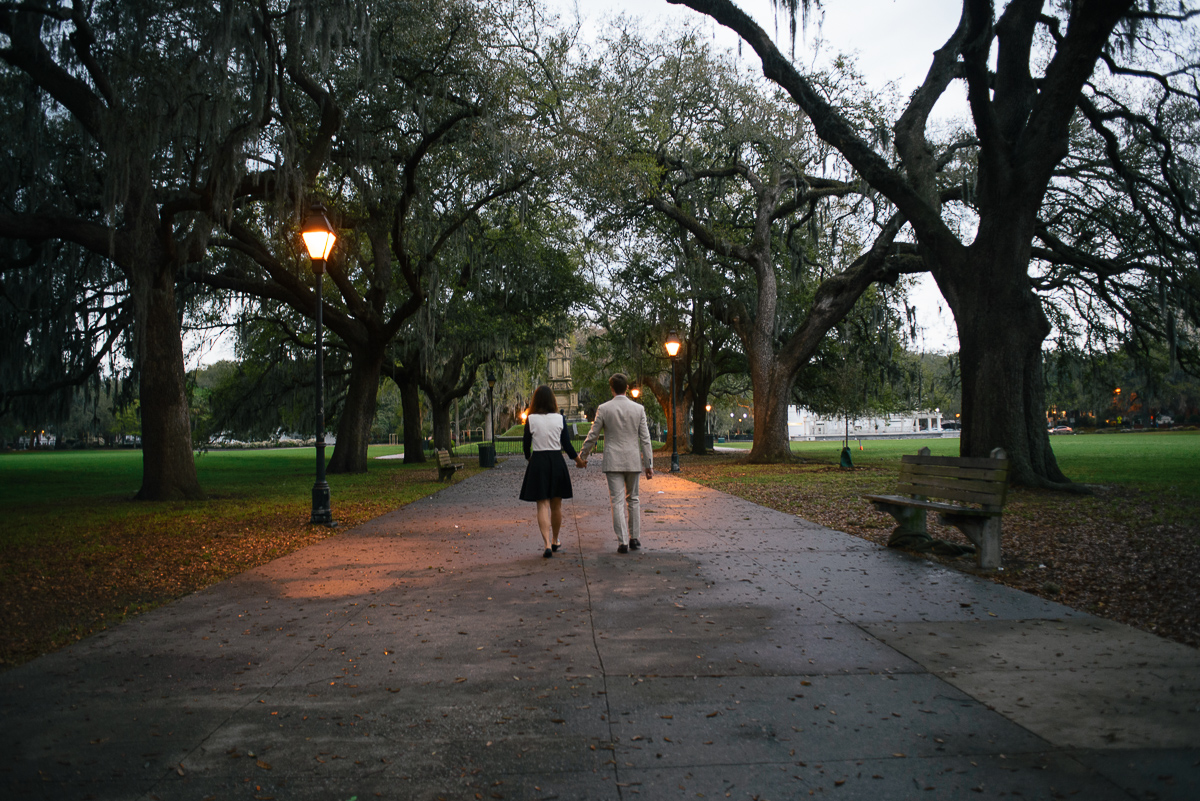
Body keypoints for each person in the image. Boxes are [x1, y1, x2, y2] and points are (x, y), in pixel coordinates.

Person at [576, 373, 653, 554]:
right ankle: (635, 538)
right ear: (627, 387)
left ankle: (623, 541)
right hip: (633, 459)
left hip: (613, 460)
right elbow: (646, 438)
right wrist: (648, 464)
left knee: (617, 501)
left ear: (612, 389)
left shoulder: (604, 409)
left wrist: (582, 456)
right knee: (633, 499)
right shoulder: (638, 409)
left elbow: (593, 435)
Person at [519, 385, 578, 558]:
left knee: (542, 504)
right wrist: (578, 460)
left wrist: (528, 457)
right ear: (553, 400)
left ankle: (545, 544)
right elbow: (567, 445)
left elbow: (525, 444)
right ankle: (555, 539)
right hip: (556, 460)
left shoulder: (531, 419)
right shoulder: (559, 419)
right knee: (556, 504)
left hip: (538, 461)